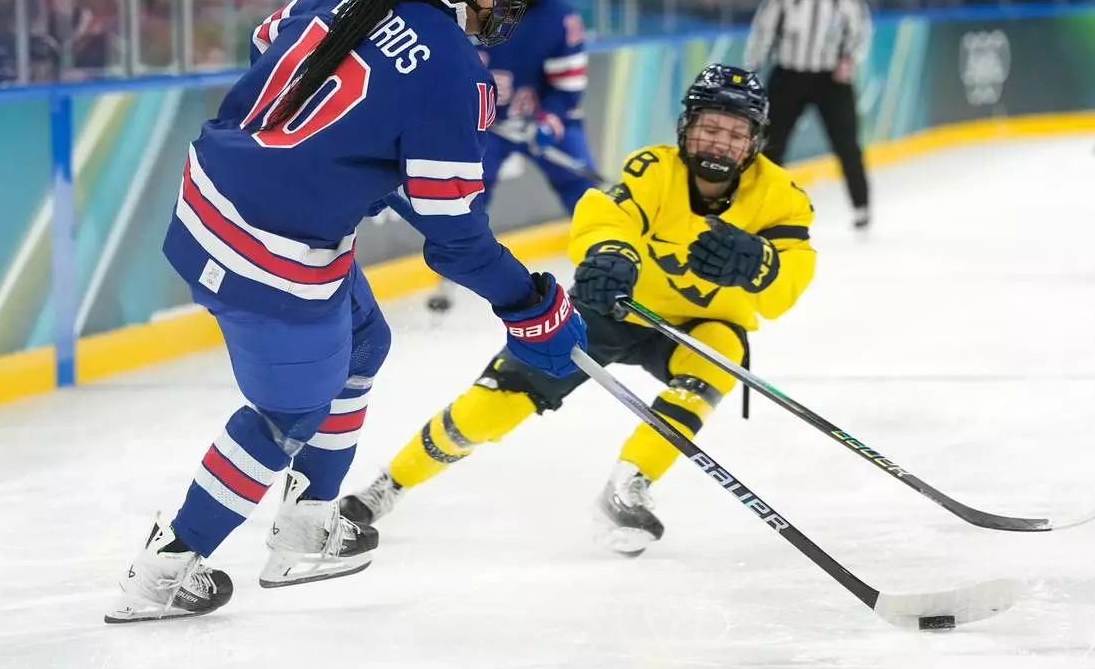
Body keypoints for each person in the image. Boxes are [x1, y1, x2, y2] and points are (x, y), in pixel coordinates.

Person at [105, 0, 587, 624]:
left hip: (211, 190)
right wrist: (532, 306)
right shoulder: (456, 72)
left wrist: (359, 156)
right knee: (285, 417)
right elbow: (454, 240)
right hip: (272, 253)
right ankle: (166, 568)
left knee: (367, 341)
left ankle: (307, 524)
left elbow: (273, 46)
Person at [340, 65, 816, 556]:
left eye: (736, 134)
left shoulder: (782, 198)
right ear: (686, 128)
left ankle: (628, 485)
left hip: (698, 325)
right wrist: (612, 254)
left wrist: (763, 266)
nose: (721, 143)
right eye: (710, 128)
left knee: (721, 349)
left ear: (755, 141)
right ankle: (389, 485)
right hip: (615, 306)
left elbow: (791, 280)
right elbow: (609, 216)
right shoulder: (654, 168)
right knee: (498, 401)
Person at [427, 0, 597, 312]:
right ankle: (449, 275)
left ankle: (603, 264)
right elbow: (447, 72)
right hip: (489, 125)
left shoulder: (561, 19)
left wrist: (547, 124)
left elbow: (568, 91)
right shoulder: (469, 8)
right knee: (466, 192)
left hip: (544, 119)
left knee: (582, 188)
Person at [743, 0, 873, 230]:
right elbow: (762, 32)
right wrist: (751, 71)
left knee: (847, 143)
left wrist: (849, 61)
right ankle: (762, 207)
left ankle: (861, 206)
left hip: (831, 80)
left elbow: (861, 32)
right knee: (771, 145)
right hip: (788, 75)